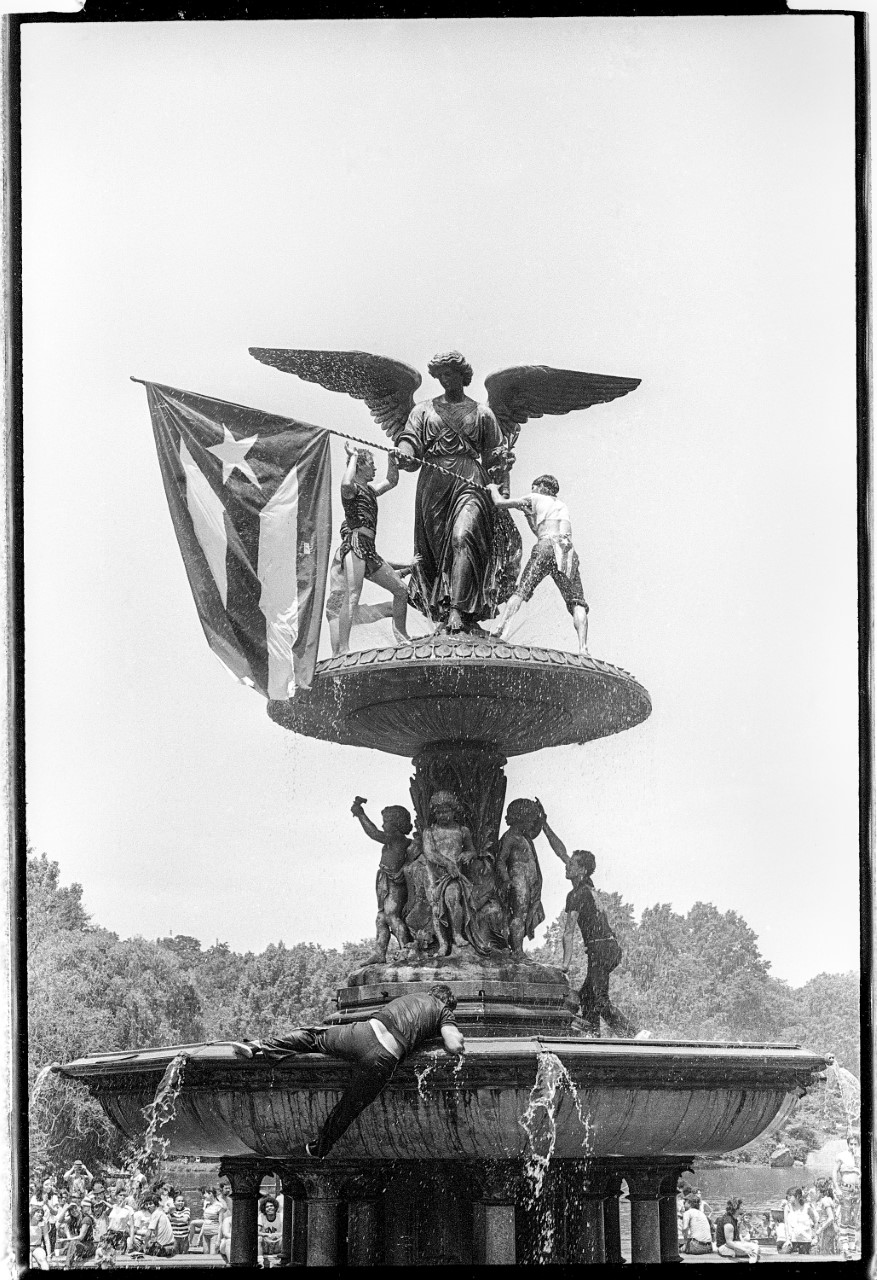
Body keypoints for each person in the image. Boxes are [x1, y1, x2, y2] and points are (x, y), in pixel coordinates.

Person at [242, 983, 464, 1158]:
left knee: (314, 1036)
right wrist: (454, 1032)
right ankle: (318, 1148)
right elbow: (453, 1045)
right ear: (446, 1002)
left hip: (362, 1035)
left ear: (431, 992)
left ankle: (259, 1045)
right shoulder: (442, 1010)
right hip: (384, 1059)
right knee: (349, 1107)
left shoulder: (410, 996)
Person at [395, 351, 511, 632]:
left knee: (463, 537)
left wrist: (503, 468)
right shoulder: (423, 410)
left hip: (470, 481)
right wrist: (404, 453)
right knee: (436, 554)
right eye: (441, 375)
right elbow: (410, 440)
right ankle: (445, 609)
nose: (446, 379)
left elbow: (495, 456)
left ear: (463, 375)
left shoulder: (482, 413)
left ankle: (459, 610)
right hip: (434, 485)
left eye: (451, 374)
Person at [542, 823, 638, 1036]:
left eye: (572, 865)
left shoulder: (576, 895)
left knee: (600, 999)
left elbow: (569, 932)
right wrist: (545, 826)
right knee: (587, 997)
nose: (567, 866)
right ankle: (592, 1035)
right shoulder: (586, 883)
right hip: (608, 948)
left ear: (582, 870)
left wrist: (565, 965)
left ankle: (634, 1034)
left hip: (601, 950)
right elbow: (561, 853)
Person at [325, 442, 412, 655]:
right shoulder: (351, 490)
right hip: (355, 546)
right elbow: (345, 484)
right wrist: (353, 456)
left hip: (369, 550)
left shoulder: (370, 491)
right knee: (352, 595)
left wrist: (392, 460)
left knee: (401, 590)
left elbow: (391, 481)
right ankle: (343, 649)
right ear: (360, 466)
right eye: (372, 464)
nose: (374, 469)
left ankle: (401, 637)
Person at [489, 474, 590, 652]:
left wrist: (492, 489)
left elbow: (499, 503)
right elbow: (540, 530)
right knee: (577, 602)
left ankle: (500, 629)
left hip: (545, 547)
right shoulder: (561, 506)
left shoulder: (534, 497)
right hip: (566, 550)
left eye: (533, 486)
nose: (531, 490)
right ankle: (583, 647)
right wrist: (529, 517)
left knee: (522, 590)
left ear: (540, 486)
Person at [351, 797, 414, 963]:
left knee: (392, 916)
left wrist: (361, 815)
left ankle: (406, 950)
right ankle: (380, 953)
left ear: (396, 824)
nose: (383, 825)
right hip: (384, 879)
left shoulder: (397, 839)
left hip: (395, 882)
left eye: (386, 822)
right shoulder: (394, 841)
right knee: (381, 917)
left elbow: (373, 833)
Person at [495, 798, 547, 958]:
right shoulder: (510, 837)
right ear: (521, 818)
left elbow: (535, 831)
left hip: (530, 883)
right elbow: (501, 860)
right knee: (519, 914)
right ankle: (517, 950)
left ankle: (515, 945)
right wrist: (506, 879)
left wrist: (542, 818)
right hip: (518, 882)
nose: (532, 823)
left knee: (530, 915)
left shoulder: (525, 837)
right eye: (531, 820)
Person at [715, 1198, 759, 1262]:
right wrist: (745, 1250)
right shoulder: (728, 1223)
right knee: (754, 1249)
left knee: (755, 1247)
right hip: (724, 1248)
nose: (743, 1207)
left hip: (728, 1246)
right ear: (736, 1208)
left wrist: (745, 1243)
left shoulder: (733, 1218)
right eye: (741, 1206)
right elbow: (729, 1242)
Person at [63, 1198, 97, 1269]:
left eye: (75, 1208)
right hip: (80, 1247)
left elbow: (81, 1237)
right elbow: (59, 1222)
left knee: (72, 1243)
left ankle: (67, 1267)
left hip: (89, 1247)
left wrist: (67, 1239)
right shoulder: (74, 1219)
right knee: (67, 1248)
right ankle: (75, 1258)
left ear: (80, 1208)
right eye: (71, 1210)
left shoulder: (86, 1219)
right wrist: (65, 1209)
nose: (74, 1211)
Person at [190, 1186, 225, 1254]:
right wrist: (200, 1235)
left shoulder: (219, 1206)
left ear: (211, 1194)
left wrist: (218, 1239)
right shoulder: (207, 1205)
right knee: (205, 1255)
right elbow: (205, 1221)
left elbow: (221, 1224)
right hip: (205, 1234)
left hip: (214, 1234)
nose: (204, 1196)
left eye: (205, 1193)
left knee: (213, 1256)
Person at [784, 1187, 816, 1255]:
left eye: (790, 1196)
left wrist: (814, 1237)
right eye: (787, 1196)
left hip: (806, 1240)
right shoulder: (787, 1207)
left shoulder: (807, 1207)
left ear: (797, 1196)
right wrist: (787, 1239)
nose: (788, 1197)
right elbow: (786, 1224)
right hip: (793, 1240)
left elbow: (815, 1222)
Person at [105, 1188, 135, 1255]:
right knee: (107, 1256)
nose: (122, 1197)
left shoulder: (129, 1209)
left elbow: (132, 1227)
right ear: (116, 1196)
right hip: (109, 1235)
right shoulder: (111, 1208)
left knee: (119, 1256)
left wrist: (131, 1240)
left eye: (124, 1195)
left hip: (120, 1235)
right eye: (120, 1195)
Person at [814, 1179, 839, 1254]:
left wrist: (820, 1229)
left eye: (816, 1189)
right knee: (825, 1252)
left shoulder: (825, 1200)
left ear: (819, 1189)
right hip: (826, 1229)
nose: (815, 1191)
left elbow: (831, 1218)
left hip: (828, 1230)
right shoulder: (823, 1200)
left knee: (826, 1253)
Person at [258, 1196, 283, 1262]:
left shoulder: (280, 1216)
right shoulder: (261, 1217)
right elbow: (257, 1231)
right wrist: (266, 1235)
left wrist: (277, 1234)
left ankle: (282, 1260)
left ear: (275, 1207)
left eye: (271, 1206)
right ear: (264, 1209)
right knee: (259, 1238)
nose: (269, 1208)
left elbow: (286, 1231)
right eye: (267, 1207)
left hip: (278, 1242)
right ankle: (260, 1261)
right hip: (266, 1244)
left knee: (284, 1239)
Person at [29, 1205, 51, 1270]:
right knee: (29, 1264)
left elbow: (46, 1239)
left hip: (37, 1247)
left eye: (41, 1213)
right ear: (32, 1212)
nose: (40, 1214)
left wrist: (49, 1255)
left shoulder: (42, 1222)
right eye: (38, 1212)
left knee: (43, 1261)